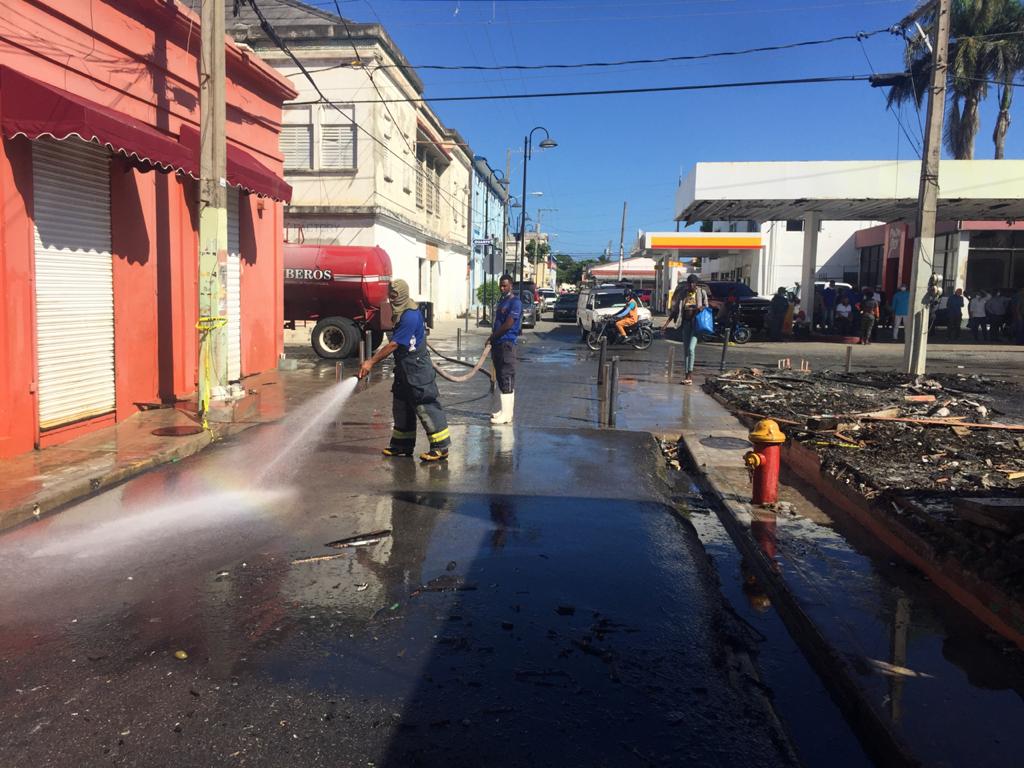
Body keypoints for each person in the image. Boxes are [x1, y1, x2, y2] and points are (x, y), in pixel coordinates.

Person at [359, 279, 450, 462]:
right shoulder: (400, 311)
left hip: (416, 368)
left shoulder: (409, 315)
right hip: (403, 367)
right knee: (401, 405)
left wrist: (371, 362)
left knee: (425, 405)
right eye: (390, 296)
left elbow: (394, 344)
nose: (391, 300)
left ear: (402, 295)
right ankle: (402, 446)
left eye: (394, 296)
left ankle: (440, 447)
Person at [488, 274, 522, 425]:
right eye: (501, 285)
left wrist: (494, 336)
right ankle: (504, 411)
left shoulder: (515, 302)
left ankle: (507, 415)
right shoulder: (502, 301)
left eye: (505, 286)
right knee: (501, 376)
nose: (502, 288)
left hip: (507, 343)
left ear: (511, 286)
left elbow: (508, 323)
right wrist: (493, 338)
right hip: (497, 343)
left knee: (507, 375)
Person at [663, 273, 708, 385]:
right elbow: (675, 310)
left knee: (691, 349)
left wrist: (700, 308)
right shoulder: (683, 294)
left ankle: (690, 375)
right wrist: (666, 324)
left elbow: (706, 306)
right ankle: (686, 375)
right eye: (689, 283)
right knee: (686, 350)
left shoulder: (701, 292)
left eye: (693, 283)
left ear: (696, 284)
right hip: (686, 324)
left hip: (696, 324)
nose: (691, 285)